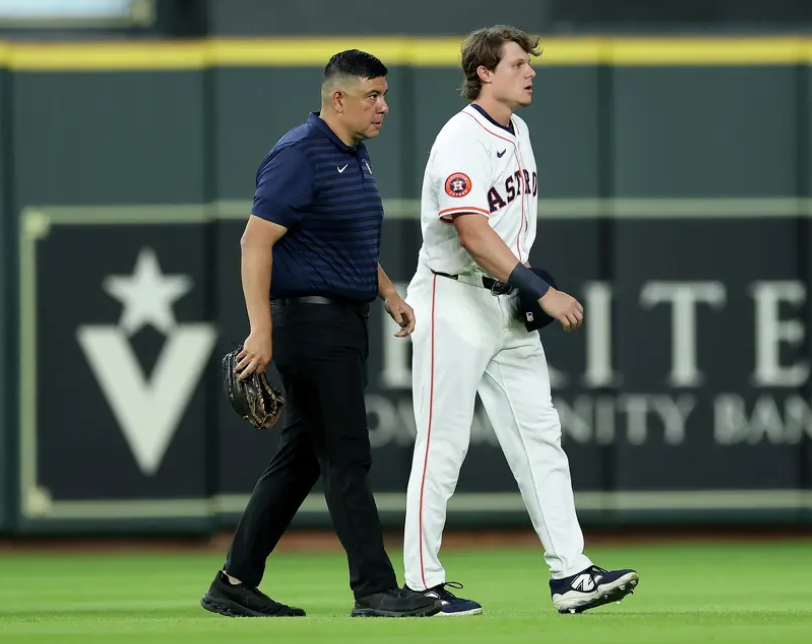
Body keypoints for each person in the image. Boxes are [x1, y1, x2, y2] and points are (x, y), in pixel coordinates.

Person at [399, 26, 639, 616]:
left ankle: (571, 575)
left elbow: (506, 234)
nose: (529, 72)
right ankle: (420, 583)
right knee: (442, 444)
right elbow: (474, 234)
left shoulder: (519, 130)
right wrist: (543, 291)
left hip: (503, 305)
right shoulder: (461, 138)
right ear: (485, 73)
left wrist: (525, 285)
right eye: (516, 64)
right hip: (451, 299)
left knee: (541, 441)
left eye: (529, 63)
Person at [200, 49, 442, 619]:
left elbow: (343, 238)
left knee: (304, 458)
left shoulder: (351, 154)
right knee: (347, 455)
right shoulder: (300, 154)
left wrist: (386, 291)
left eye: (384, 95)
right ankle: (375, 589)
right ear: (338, 99)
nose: (383, 107)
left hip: (341, 318)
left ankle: (234, 580)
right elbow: (254, 243)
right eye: (372, 96)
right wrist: (261, 331)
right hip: (310, 324)